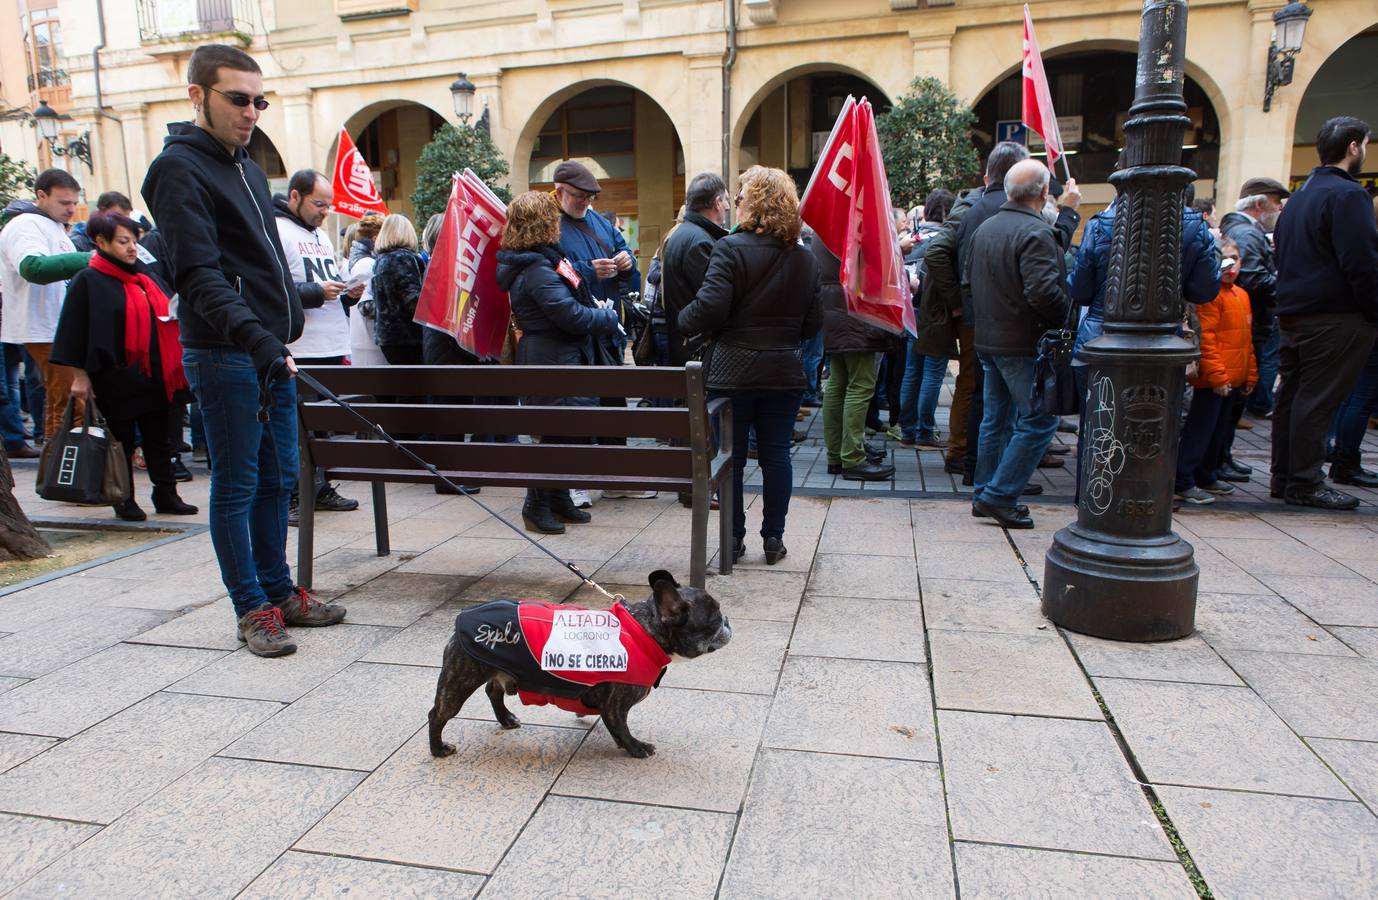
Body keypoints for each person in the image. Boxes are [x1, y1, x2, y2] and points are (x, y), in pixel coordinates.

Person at [142, 43, 345, 658]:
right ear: (197, 96)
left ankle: (279, 590)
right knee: (237, 484)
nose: (251, 112)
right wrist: (257, 337)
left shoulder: (249, 168)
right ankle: (252, 607)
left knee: (279, 478)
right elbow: (198, 275)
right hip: (224, 351)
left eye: (260, 101)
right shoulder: (178, 168)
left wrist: (283, 327)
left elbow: (265, 264)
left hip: (267, 349)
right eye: (238, 99)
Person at [678, 166, 821, 564]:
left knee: (733, 458)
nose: (736, 203)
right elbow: (813, 324)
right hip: (784, 370)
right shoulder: (805, 257)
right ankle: (773, 538)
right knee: (777, 456)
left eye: (739, 197)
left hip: (732, 372)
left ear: (752, 203)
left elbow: (709, 308)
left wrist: (682, 319)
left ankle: (733, 537)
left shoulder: (729, 248)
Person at [49, 211, 199, 521]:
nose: (131, 248)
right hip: (114, 376)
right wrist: (79, 377)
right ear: (101, 242)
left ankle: (166, 494)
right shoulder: (88, 280)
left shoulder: (144, 275)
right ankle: (123, 497)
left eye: (133, 240)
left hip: (155, 374)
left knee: (160, 439)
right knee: (123, 441)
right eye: (122, 241)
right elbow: (72, 332)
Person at [495, 191, 620, 534]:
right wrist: (606, 318)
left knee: (568, 433)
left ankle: (559, 498)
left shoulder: (544, 259)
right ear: (542, 223)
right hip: (551, 359)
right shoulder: (536, 267)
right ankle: (535, 506)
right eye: (552, 218)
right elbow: (569, 315)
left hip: (559, 357)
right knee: (553, 436)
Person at [1270, 116, 1378, 510]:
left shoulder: (1301, 196)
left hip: (1296, 311)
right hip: (1333, 315)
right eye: (1365, 145)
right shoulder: (1348, 195)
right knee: (1316, 400)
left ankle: (1286, 477)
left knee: (1295, 397)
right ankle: (1304, 481)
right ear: (1353, 147)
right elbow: (1361, 263)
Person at [966, 159, 1073, 529]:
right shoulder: (1034, 232)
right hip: (1021, 342)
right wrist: (1065, 315)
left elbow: (970, 281)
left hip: (991, 338)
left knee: (997, 419)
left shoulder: (986, 228)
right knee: (1039, 419)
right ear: (1043, 192)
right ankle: (997, 494)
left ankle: (987, 491)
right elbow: (1043, 292)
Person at [551, 159, 648, 501]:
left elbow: (624, 255)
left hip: (607, 330)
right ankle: (575, 483)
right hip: (575, 334)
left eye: (590, 197)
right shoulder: (549, 225)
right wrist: (590, 270)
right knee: (578, 410)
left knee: (613, 407)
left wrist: (626, 262)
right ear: (559, 192)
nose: (585, 202)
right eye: (579, 196)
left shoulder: (599, 222)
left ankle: (615, 478)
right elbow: (550, 270)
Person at [275, 168, 361, 523]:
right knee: (298, 429)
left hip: (331, 341)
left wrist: (348, 292)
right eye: (319, 204)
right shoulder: (278, 231)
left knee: (322, 427)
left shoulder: (321, 235)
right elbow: (274, 289)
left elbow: (327, 279)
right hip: (302, 346)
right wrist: (316, 292)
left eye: (328, 205)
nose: (325, 212)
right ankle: (295, 494)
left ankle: (321, 487)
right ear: (295, 196)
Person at [0, 168, 91, 446]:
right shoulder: (25, 225)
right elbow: (33, 268)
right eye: (64, 202)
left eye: (74, 203)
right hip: (44, 326)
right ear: (41, 195)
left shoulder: (50, 225)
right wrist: (91, 258)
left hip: (55, 325)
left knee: (63, 399)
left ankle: (57, 461)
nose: (71, 209)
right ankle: (63, 463)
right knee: (70, 400)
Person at [1174, 237, 1256, 505]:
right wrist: (1218, 375)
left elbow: (1246, 340)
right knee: (1201, 429)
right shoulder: (1210, 296)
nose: (1230, 267)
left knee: (1219, 431)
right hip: (1215, 378)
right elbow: (1207, 339)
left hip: (1233, 376)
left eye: (1235, 260)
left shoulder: (1241, 295)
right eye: (1225, 260)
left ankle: (1206, 473)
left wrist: (1250, 373)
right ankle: (1183, 478)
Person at [1220, 177, 1288, 420]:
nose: (1279, 207)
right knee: (1234, 392)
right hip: (1250, 316)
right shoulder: (1246, 233)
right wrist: (1283, 288)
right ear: (1259, 204)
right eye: (1276, 201)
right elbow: (1251, 277)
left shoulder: (1244, 230)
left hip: (1249, 315)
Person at [897, 189, 956, 449]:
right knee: (933, 372)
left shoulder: (910, 239)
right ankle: (925, 431)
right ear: (947, 211)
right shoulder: (945, 239)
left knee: (912, 370)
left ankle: (907, 430)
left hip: (911, 311)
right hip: (936, 313)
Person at [369, 214, 426, 365]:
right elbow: (413, 300)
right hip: (409, 338)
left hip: (387, 338)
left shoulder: (380, 260)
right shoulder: (404, 258)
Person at [69, 192, 134, 252]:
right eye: (118, 218)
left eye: (126, 220)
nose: (123, 224)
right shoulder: (79, 242)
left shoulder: (128, 237)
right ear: (102, 212)